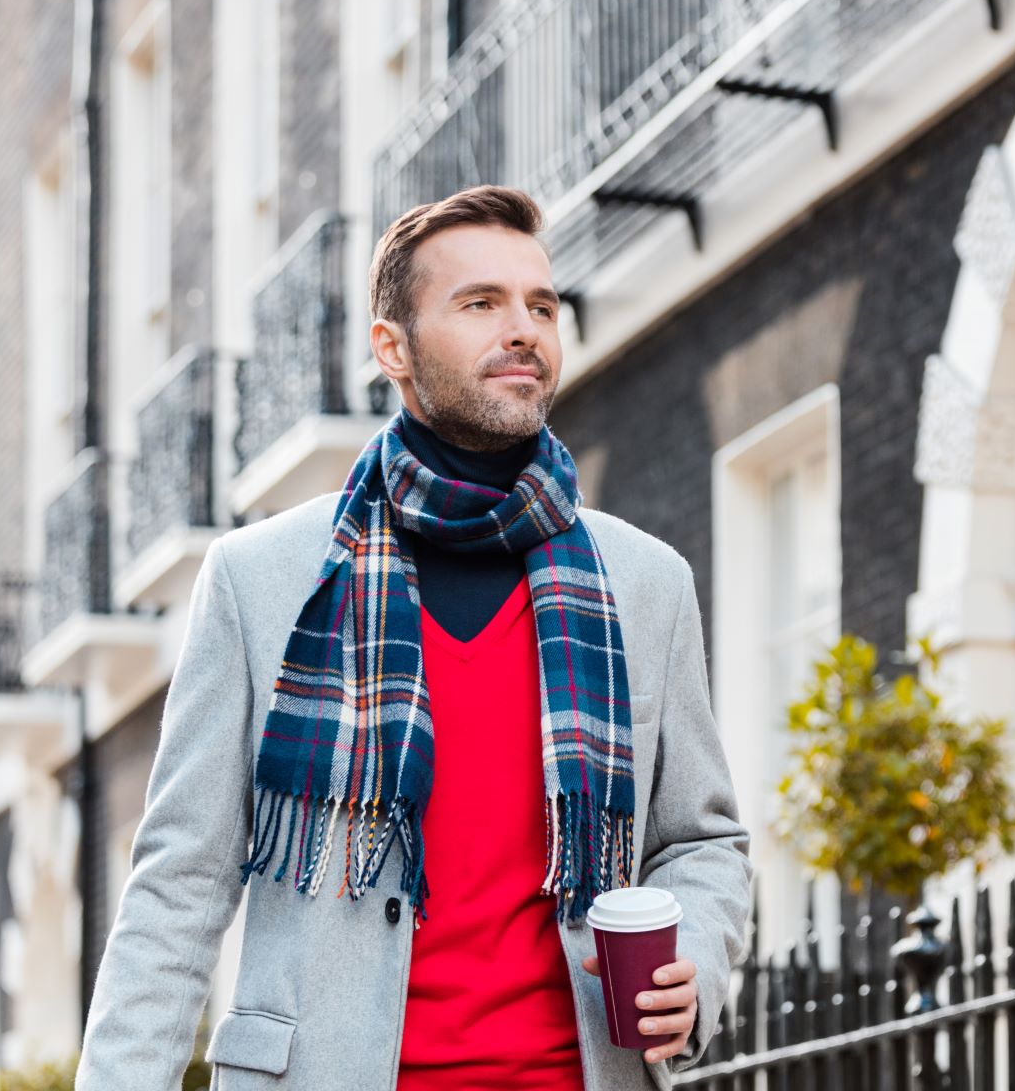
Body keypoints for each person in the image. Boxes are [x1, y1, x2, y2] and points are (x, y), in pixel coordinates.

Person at [75, 185, 752, 1090]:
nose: (524, 329)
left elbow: (700, 842)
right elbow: (178, 889)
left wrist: (695, 967)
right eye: (481, 304)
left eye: (540, 306)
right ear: (392, 346)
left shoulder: (646, 585)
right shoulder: (260, 580)